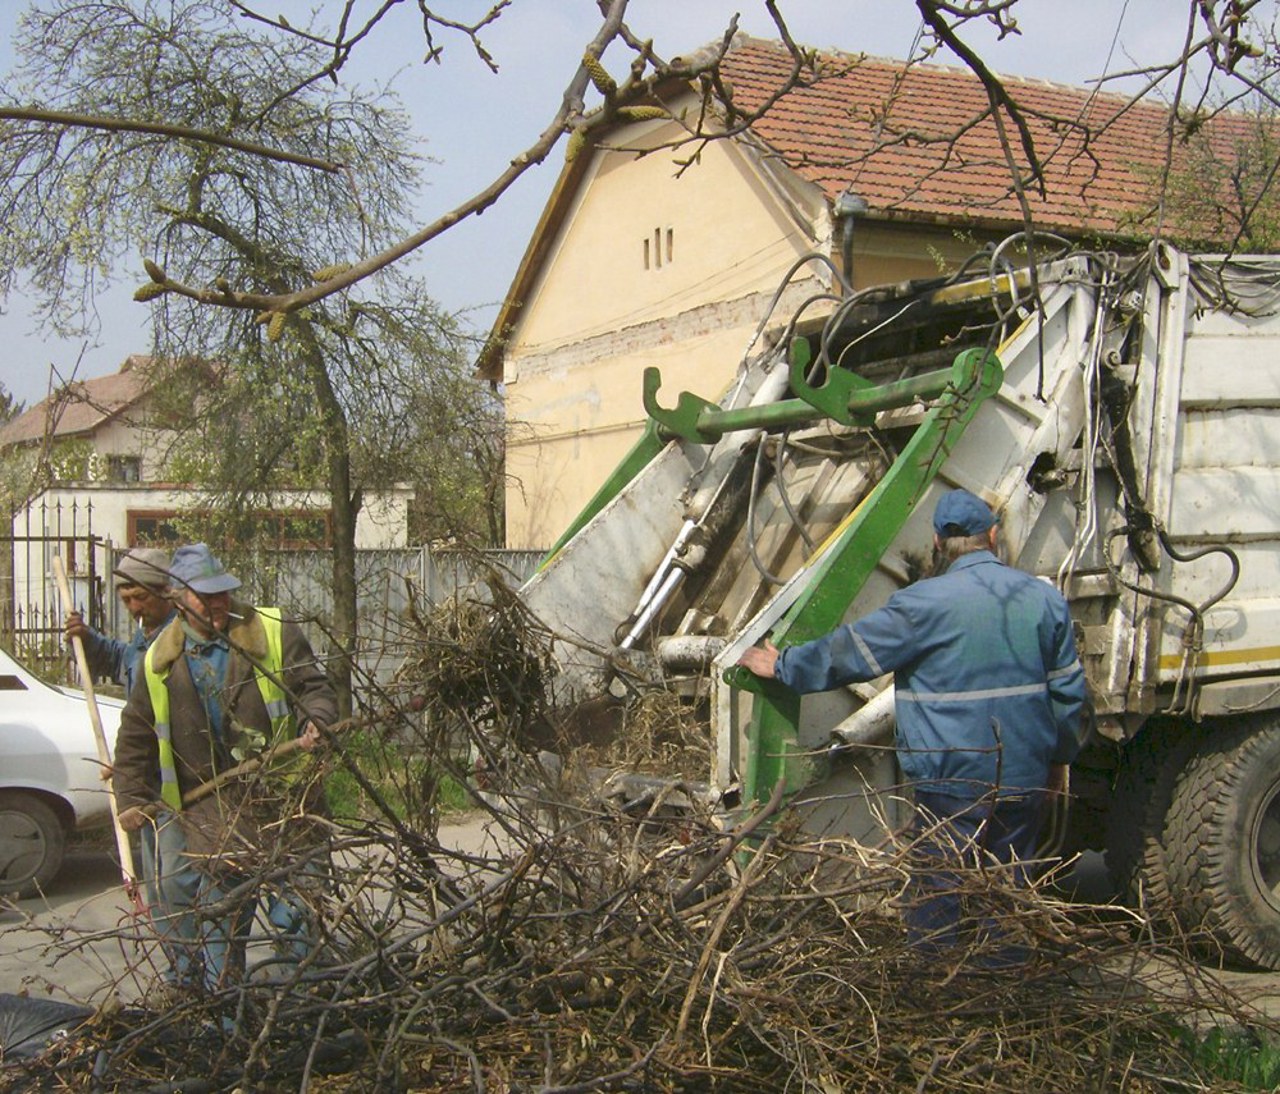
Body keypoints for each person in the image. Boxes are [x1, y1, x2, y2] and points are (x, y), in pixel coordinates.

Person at [737, 488, 1086, 957]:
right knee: (1006, 892)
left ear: (939, 545)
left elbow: (852, 653)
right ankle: (1005, 1000)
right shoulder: (1044, 600)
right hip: (1023, 776)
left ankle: (936, 992)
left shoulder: (921, 604)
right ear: (994, 536)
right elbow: (1069, 696)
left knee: (939, 891)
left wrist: (784, 666)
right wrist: (1060, 757)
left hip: (951, 781)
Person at [113, 543, 338, 996]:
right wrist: (132, 798)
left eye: (223, 593)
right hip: (209, 816)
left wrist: (316, 719)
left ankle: (311, 1008)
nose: (218, 603)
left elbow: (313, 687)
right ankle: (223, 1017)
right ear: (178, 599)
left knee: (297, 914)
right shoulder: (157, 660)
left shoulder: (272, 631)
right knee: (220, 925)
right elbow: (135, 736)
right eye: (205, 596)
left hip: (284, 806)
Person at [64, 546, 174, 697]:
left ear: (167, 592)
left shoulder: (183, 638)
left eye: (141, 597)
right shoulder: (144, 636)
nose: (134, 607)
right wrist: (87, 640)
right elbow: (119, 661)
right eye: (126, 600)